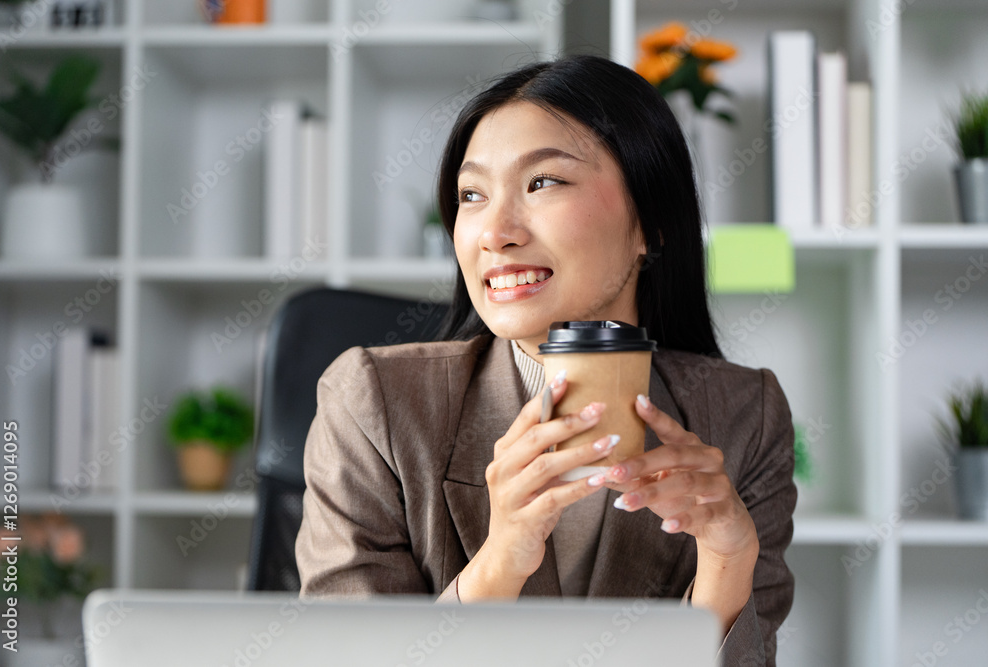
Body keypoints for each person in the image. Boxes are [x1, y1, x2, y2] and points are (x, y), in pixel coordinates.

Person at [295, 54, 796, 666]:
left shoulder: (747, 416)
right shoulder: (372, 403)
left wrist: (726, 564)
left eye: (543, 182)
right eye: (472, 195)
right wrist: (500, 562)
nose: (494, 231)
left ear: (652, 223)